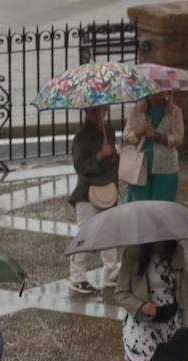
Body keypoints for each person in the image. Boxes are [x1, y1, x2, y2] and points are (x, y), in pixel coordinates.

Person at [68, 106, 122, 294]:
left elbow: (112, 163)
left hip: (107, 188)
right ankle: (77, 276)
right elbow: (81, 167)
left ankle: (111, 271)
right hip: (88, 190)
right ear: (86, 112)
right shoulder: (82, 136)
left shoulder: (109, 130)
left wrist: (114, 156)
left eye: (102, 109)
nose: (99, 113)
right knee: (84, 233)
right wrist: (100, 155)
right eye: (93, 110)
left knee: (109, 230)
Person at [116, 241, 188, 361]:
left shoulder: (178, 251)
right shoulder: (133, 252)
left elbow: (183, 294)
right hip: (141, 328)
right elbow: (121, 293)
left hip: (171, 325)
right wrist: (140, 306)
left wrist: (186, 330)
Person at [124, 91, 184, 202]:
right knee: (140, 207)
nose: (157, 91)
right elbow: (127, 136)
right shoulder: (138, 110)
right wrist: (142, 131)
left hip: (166, 168)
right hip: (140, 167)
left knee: (162, 208)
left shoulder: (174, 111)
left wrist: (157, 135)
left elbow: (178, 138)